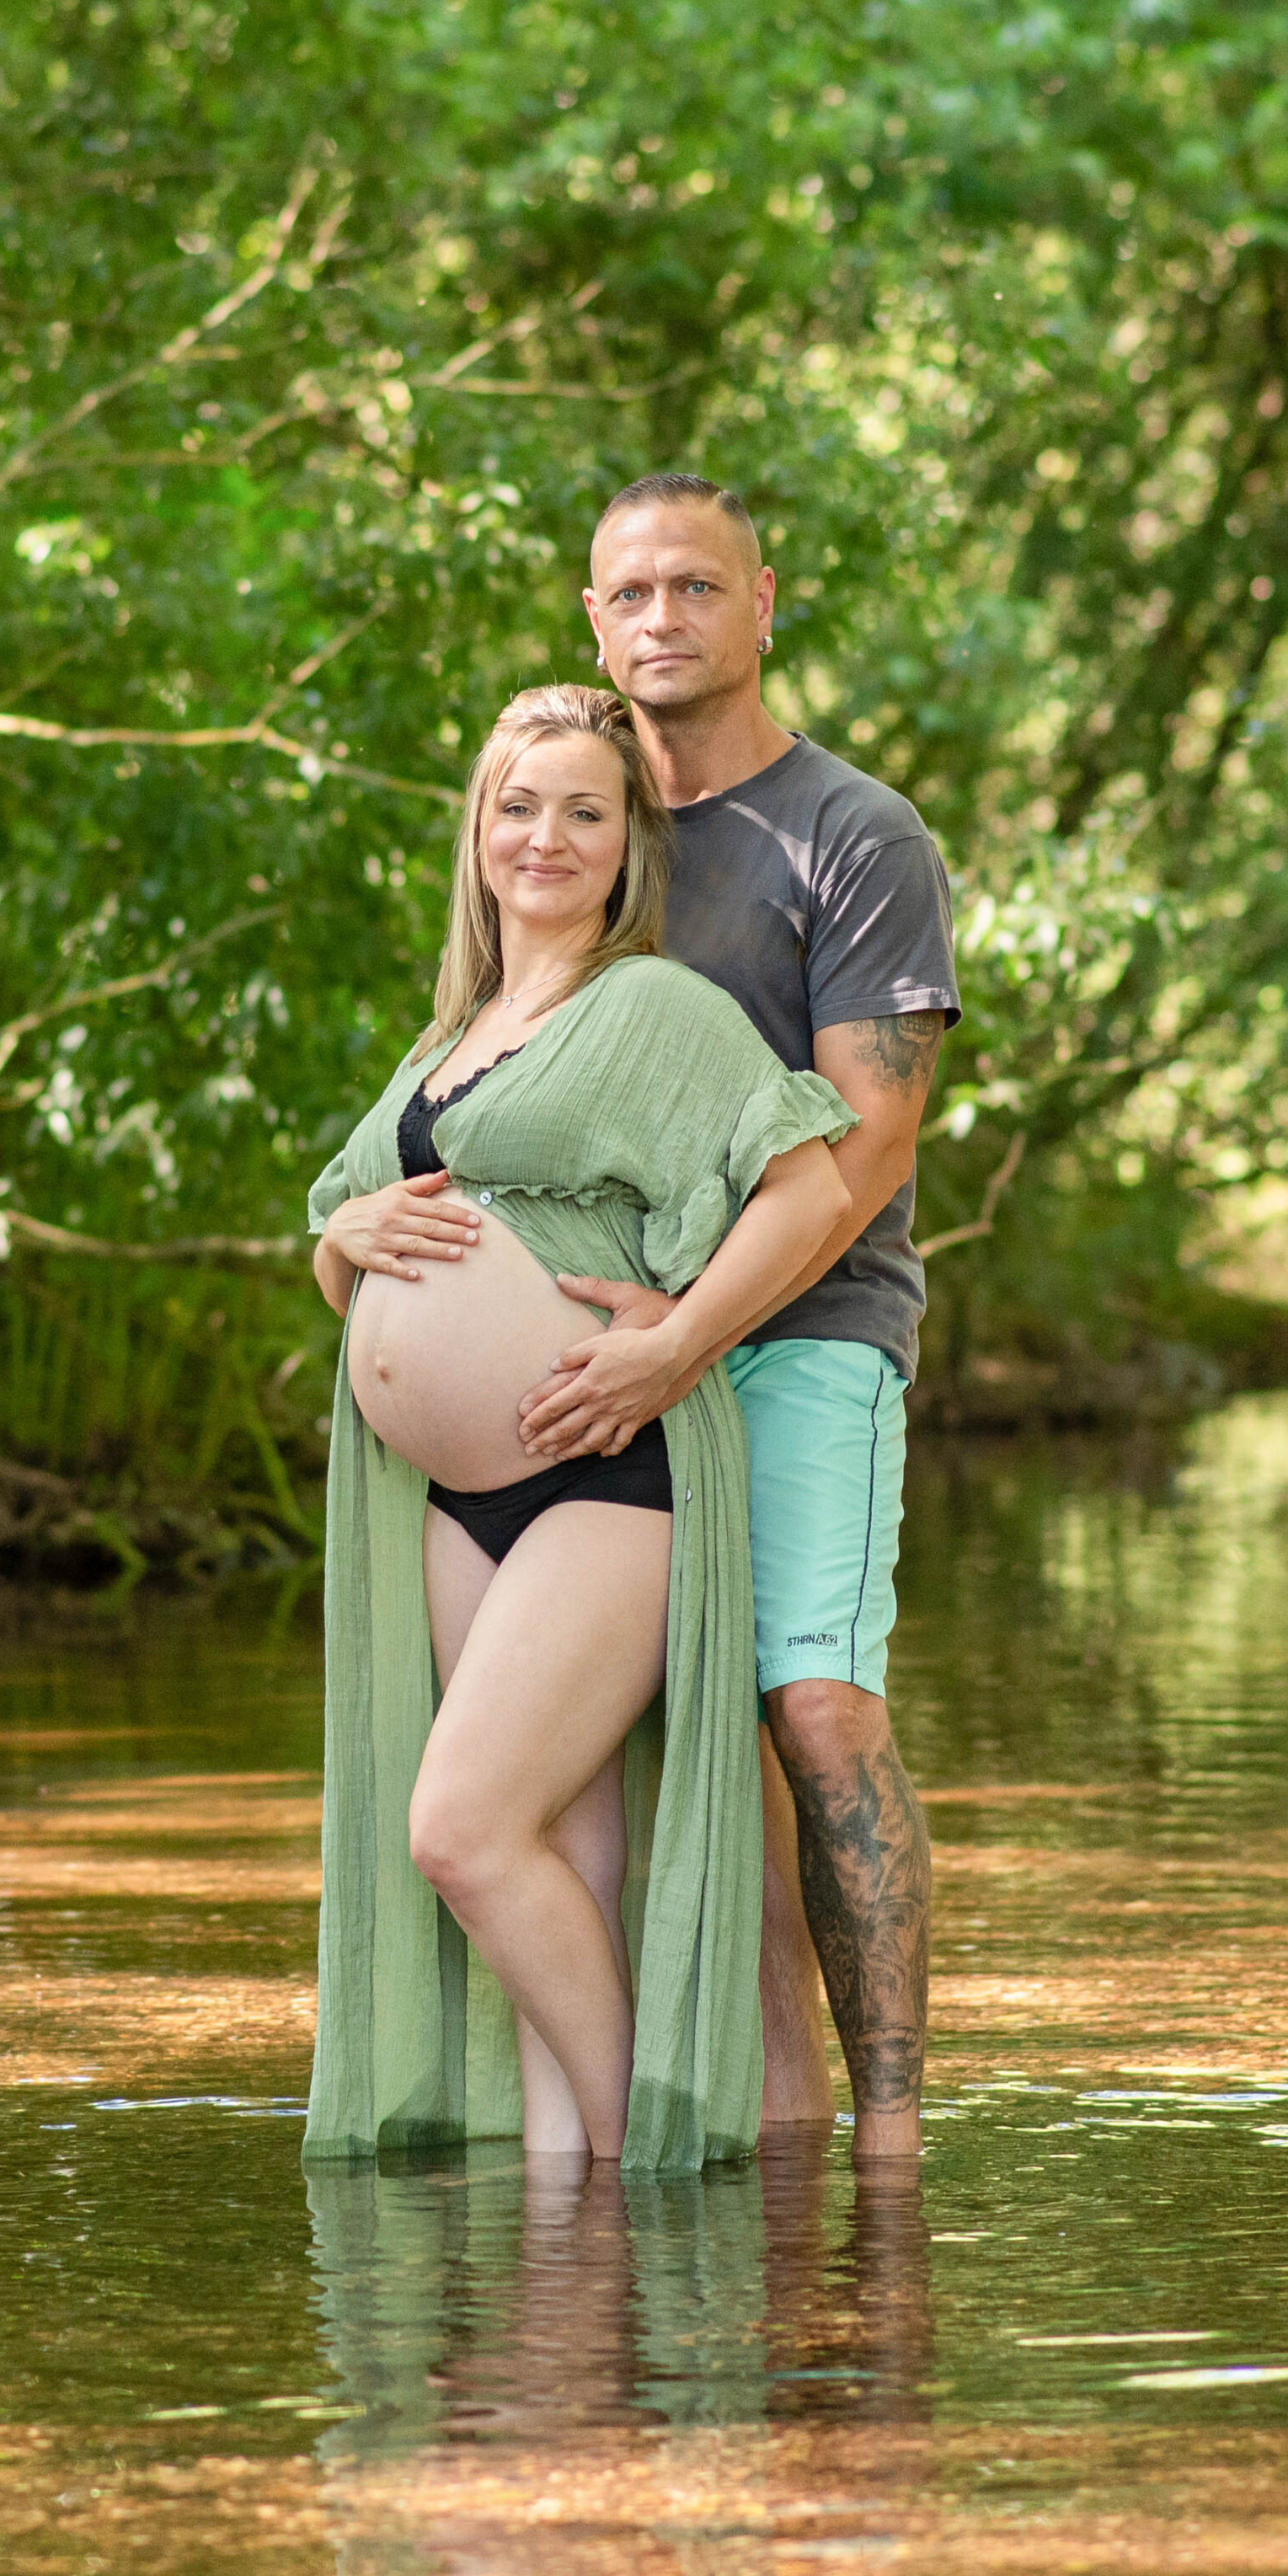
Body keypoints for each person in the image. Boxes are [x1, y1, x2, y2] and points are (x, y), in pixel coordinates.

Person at [302, 685, 857, 2172]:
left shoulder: (657, 1011)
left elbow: (809, 1184)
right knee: (556, 1868)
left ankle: (640, 2170)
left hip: (610, 1474)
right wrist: (344, 1231)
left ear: (627, 849)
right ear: (478, 833)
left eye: (585, 811)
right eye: (518, 805)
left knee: (462, 1830)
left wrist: (674, 1343)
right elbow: (347, 1251)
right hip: (455, 1496)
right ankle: (577, 2263)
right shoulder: (450, 1036)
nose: (545, 835)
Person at [513, 473, 961, 2166]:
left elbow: (868, 1143)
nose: (660, 618)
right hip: (599, 1346)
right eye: (628, 592)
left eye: (695, 587)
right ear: (592, 619)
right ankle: (763, 2136)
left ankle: (894, 2149)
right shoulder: (572, 814)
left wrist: (682, 1336)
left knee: (817, 1711)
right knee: (688, 1754)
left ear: (764, 603)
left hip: (805, 1330)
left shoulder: (854, 834)